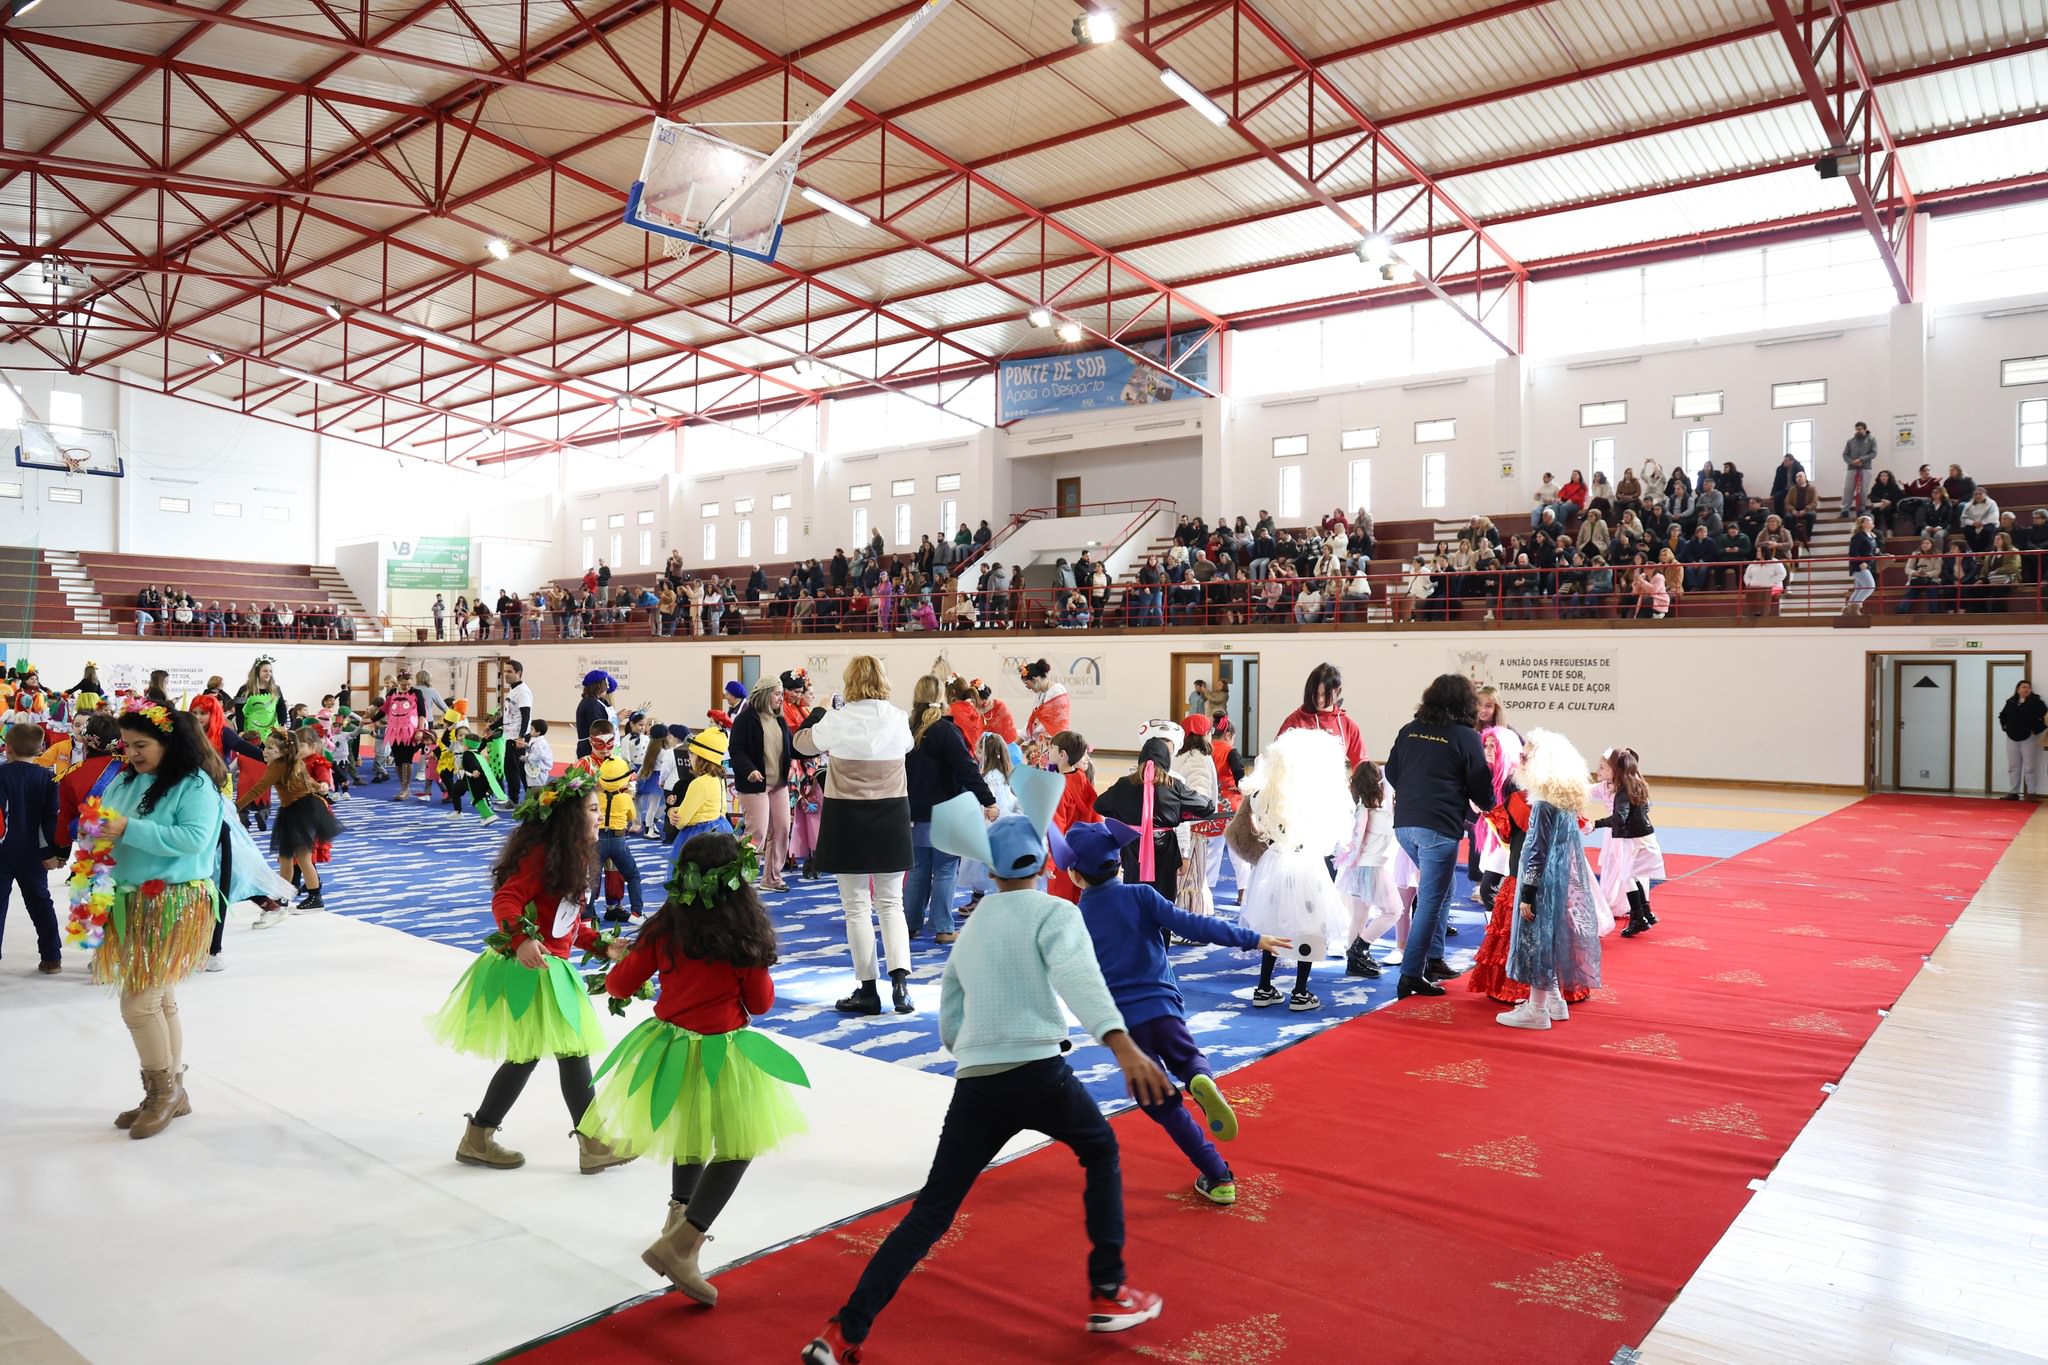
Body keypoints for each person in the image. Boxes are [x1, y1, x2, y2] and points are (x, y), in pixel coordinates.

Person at [801, 781, 1173, 1365]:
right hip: (1041, 1074)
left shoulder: (971, 930)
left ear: (990, 871)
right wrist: (1121, 1045)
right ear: (1045, 865)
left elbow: (950, 1019)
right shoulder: (1056, 912)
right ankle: (1107, 1290)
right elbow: (1080, 980)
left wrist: (976, 1051)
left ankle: (842, 1331)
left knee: (931, 1212)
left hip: (977, 1084)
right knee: (1100, 1151)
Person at [579, 831, 810, 1304]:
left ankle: (677, 1218)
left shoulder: (666, 927)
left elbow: (619, 986)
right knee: (738, 1145)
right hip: (720, 1050)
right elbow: (761, 1003)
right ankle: (685, 1241)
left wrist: (644, 968)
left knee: (690, 1131)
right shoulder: (742, 936)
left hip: (669, 1046)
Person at [1059, 817, 1284, 1207]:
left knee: (1161, 1103)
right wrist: (1252, 938)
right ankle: (1199, 1078)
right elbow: (1193, 925)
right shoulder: (1142, 896)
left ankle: (1219, 1176)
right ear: (1120, 862)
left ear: (1075, 875)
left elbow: (1071, 977)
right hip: (1164, 1007)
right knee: (1187, 1058)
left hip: (1124, 1028)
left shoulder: (1076, 919)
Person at [428, 768, 634, 1175]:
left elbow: (565, 924)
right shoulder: (542, 854)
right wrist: (522, 939)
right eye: (593, 809)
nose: (600, 815)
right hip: (534, 968)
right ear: (569, 817)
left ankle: (479, 1136)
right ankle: (592, 1143)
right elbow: (506, 900)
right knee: (570, 1052)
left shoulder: (572, 857)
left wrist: (601, 945)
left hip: (548, 967)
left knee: (530, 1056)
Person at [94, 707, 225, 1139]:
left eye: (141, 745)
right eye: (127, 744)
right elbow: (106, 821)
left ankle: (162, 1093)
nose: (131, 753)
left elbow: (194, 839)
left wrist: (126, 829)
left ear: (169, 743)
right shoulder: (125, 780)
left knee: (139, 1004)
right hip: (130, 900)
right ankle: (170, 1091)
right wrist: (95, 834)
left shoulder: (195, 785)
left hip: (172, 902)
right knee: (160, 999)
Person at [793, 657, 916, 1018]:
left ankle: (867, 990)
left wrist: (818, 712)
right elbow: (907, 747)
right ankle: (901, 985)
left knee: (856, 907)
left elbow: (801, 744)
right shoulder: (897, 718)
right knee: (892, 904)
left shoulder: (838, 719)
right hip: (891, 815)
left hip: (847, 818)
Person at [1384, 674, 1492, 998]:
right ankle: (1411, 974)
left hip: (1405, 825)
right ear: (1465, 703)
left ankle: (1433, 959)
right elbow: (1481, 786)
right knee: (1431, 901)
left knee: (1443, 890)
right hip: (1438, 827)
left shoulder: (1410, 729)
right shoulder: (1465, 736)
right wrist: (1489, 805)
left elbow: (1392, 772)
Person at [1230, 728, 1351, 1011]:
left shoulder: (1261, 794)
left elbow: (1250, 824)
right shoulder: (1315, 797)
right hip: (1305, 863)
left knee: (1271, 923)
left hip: (1272, 862)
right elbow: (1330, 838)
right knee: (1309, 926)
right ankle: (1300, 991)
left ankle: (1264, 987)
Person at [1496, 729, 1603, 1031]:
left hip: (1540, 883)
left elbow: (1536, 851)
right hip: (1555, 882)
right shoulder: (1563, 801)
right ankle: (1554, 1000)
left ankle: (1537, 1009)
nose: (1521, 759)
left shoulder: (1543, 803)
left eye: (1527, 755)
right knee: (1549, 938)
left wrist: (1527, 892)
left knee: (1535, 942)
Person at [905, 674, 998, 947]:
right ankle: (944, 928)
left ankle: (909, 926)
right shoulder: (945, 731)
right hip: (946, 813)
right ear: (942, 697)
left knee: (918, 870)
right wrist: (988, 800)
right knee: (945, 870)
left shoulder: (907, 729)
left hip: (914, 812)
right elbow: (965, 769)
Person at [1094, 723, 1216, 910]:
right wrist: (1180, 813)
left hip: (1133, 847)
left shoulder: (1124, 784)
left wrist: (1125, 815)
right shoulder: (1174, 785)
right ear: (1167, 759)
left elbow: (1100, 805)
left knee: (1134, 897)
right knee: (1163, 902)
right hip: (1165, 849)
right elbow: (1207, 807)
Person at [240, 729, 341, 924]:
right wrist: (318, 787)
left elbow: (258, 788)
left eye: (271, 748)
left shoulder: (280, 766)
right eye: (266, 746)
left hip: (301, 812)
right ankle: (283, 896)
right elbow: (307, 782)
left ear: (283, 751)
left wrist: (235, 807)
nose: (265, 751)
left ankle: (315, 897)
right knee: (286, 857)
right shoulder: (291, 762)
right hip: (294, 811)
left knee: (302, 857)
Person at [0, 724, 61, 974]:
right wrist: (52, 853)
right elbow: (51, 820)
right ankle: (51, 957)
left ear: (8, 748)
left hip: (2, 852)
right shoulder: (48, 779)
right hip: (35, 854)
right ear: (41, 748)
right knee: (40, 902)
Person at [729, 680, 794, 893]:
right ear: (765, 694)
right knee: (756, 832)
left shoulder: (779, 719)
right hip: (755, 784)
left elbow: (791, 747)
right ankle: (738, 878)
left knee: (782, 829)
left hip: (778, 784)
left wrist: (795, 760)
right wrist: (749, 769)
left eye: (781, 694)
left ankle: (772, 878)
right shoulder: (746, 719)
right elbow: (736, 750)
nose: (781, 698)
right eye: (777, 693)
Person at [1594, 748, 1663, 937]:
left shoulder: (1623, 790)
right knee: (1632, 875)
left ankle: (1638, 918)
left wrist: (1596, 824)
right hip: (1643, 836)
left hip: (1635, 839)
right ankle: (1645, 913)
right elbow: (1645, 808)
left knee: (1627, 876)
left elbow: (1619, 818)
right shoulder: (1637, 784)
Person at [1170, 716, 1220, 918]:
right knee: (1191, 879)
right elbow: (1200, 796)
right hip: (1192, 827)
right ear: (1204, 734)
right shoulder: (1197, 757)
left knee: (1186, 878)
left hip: (1180, 824)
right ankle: (1190, 920)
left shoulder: (1179, 755)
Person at [1274, 662, 1368, 768]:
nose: (1320, 699)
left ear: (1337, 691)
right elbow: (1276, 758)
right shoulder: (1294, 722)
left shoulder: (1348, 726)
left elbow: (1361, 764)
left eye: (1325, 694)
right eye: (1316, 694)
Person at [1045, 729, 1102, 905]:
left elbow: (1056, 827)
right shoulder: (1083, 779)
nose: (1048, 751)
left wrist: (1050, 862)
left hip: (1064, 855)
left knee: (1060, 905)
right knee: (1082, 902)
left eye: (1051, 747)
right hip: (1085, 851)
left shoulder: (1058, 786)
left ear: (1062, 754)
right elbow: (1096, 818)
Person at [593, 756, 645, 922]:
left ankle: (587, 914)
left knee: (590, 879)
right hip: (618, 840)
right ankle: (637, 912)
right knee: (633, 875)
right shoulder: (625, 799)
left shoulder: (595, 796)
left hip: (598, 840)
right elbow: (631, 816)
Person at [1997, 680, 2047, 800]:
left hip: (2029, 738)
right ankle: (2013, 792)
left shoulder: (2037, 702)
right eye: (2024, 687)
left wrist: (2035, 730)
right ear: (2018, 689)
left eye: (2029, 687)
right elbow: (2002, 716)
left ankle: (2031, 792)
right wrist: (2006, 728)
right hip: (2011, 737)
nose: (2026, 689)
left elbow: (2046, 718)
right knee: (2013, 766)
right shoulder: (2011, 702)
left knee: (2029, 766)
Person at [232, 656, 287, 736]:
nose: (268, 673)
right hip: (251, 732)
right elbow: (238, 710)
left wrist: (282, 724)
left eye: (270, 671)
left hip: (272, 732)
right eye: (265, 671)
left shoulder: (276, 689)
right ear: (257, 672)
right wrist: (241, 730)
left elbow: (281, 708)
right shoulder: (244, 689)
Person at [1019, 659, 1070, 740]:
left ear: (1035, 680)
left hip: (1056, 739)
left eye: (1027, 684)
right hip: (1042, 740)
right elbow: (1033, 719)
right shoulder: (1040, 693)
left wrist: (1020, 739)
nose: (1028, 687)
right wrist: (1018, 740)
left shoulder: (1057, 691)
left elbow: (1044, 723)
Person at [1840, 420, 1876, 519]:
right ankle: (1845, 509)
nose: (1858, 431)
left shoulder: (1872, 440)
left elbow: (1874, 453)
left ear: (1865, 429)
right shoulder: (1850, 441)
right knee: (1848, 489)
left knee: (1863, 490)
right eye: (1856, 429)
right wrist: (1852, 462)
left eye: (1860, 429)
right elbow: (1845, 455)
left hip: (1865, 468)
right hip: (1851, 468)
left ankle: (1861, 508)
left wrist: (1861, 459)